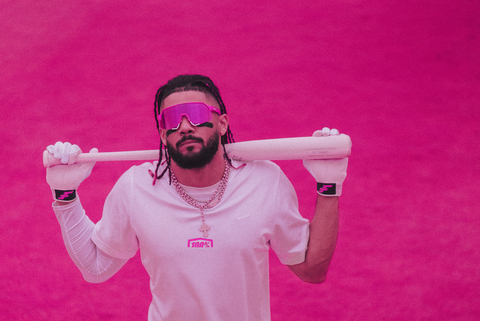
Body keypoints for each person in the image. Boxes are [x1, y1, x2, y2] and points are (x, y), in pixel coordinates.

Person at [45, 74, 348, 321]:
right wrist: (66, 196)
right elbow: (96, 268)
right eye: (172, 120)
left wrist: (328, 184)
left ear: (222, 123)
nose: (185, 126)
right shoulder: (135, 188)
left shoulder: (265, 181)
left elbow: (312, 269)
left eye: (198, 115)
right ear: (164, 135)